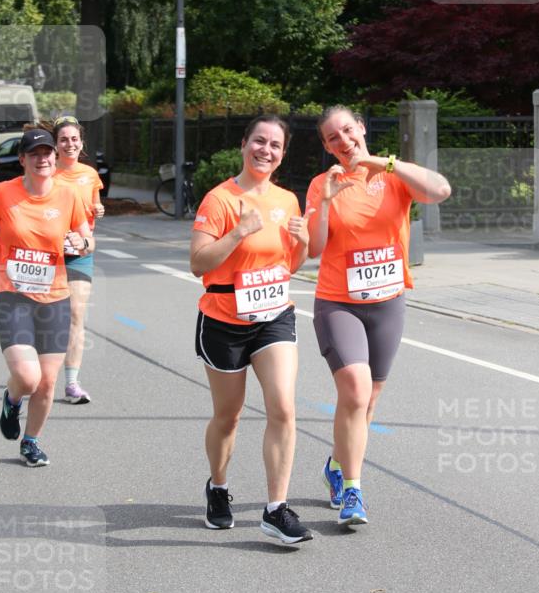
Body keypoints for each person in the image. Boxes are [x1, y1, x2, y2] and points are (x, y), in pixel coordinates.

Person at [306, 106, 451, 526]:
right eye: (332, 138)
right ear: (326, 146)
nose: (343, 141)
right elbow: (314, 248)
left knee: (367, 402)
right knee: (354, 389)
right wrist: (328, 204)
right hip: (339, 302)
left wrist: (385, 162)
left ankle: (336, 464)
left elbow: (440, 190)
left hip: (387, 303)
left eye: (347, 131)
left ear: (362, 129)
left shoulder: (392, 175)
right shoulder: (323, 184)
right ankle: (353, 490)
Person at [190, 115, 312, 544]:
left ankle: (276, 509)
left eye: (275, 145)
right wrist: (239, 232)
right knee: (229, 415)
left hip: (274, 315)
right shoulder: (220, 199)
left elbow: (289, 266)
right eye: (259, 141)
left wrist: (304, 241)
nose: (266, 150)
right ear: (244, 145)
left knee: (282, 407)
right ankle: (218, 486)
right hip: (223, 319)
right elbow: (198, 264)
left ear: (282, 155)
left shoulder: (287, 200)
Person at [0, 128, 94, 466]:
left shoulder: (69, 195)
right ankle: (12, 400)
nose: (43, 159)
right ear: (23, 159)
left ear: (55, 158)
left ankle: (31, 441)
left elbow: (87, 238)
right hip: (11, 296)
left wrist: (80, 244)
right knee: (28, 377)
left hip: (54, 296)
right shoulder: (2, 193)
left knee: (47, 382)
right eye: (35, 154)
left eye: (48, 153)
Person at [52, 115, 105, 404]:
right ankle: (36, 374)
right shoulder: (47, 174)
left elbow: (95, 204)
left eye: (74, 139)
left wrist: (98, 210)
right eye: (64, 139)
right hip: (46, 255)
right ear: (56, 145)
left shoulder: (90, 174)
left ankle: (72, 383)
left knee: (75, 315)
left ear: (81, 143)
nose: (69, 144)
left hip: (79, 251)